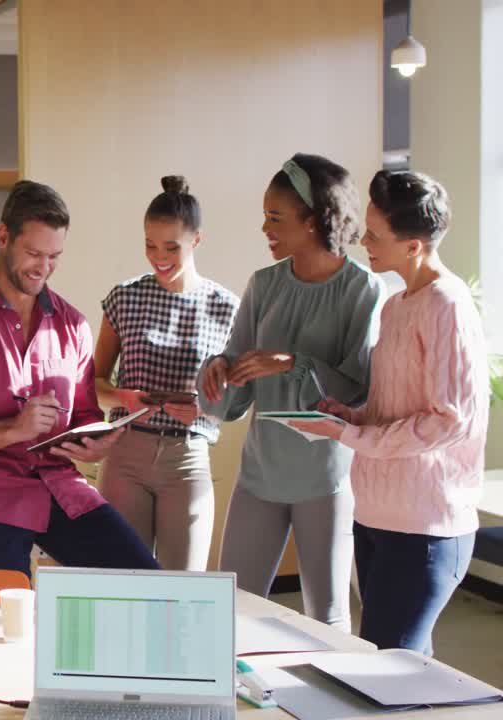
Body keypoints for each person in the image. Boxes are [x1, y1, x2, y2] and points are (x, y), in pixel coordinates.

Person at [0, 180, 159, 576]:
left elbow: (83, 416)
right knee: (12, 605)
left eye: (54, 256)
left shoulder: (72, 325)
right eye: (33, 253)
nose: (43, 268)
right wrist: (13, 429)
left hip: (60, 487)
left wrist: (95, 446)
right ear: (3, 237)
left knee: (147, 580)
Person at [291, 171, 488, 654]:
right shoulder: (396, 305)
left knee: (390, 662)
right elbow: (397, 406)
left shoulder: (448, 305)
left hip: (424, 526)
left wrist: (351, 436)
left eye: (375, 236)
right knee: (392, 661)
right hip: (377, 514)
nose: (363, 242)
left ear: (414, 246)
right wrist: (352, 417)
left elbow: (448, 420)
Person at [199, 153, 384, 630]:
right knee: (231, 610)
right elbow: (234, 382)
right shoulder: (263, 285)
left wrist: (294, 362)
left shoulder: (363, 289)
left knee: (327, 616)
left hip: (325, 478)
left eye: (275, 217)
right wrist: (218, 370)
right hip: (260, 473)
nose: (265, 228)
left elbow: (360, 391)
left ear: (313, 220)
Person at [94, 176, 240, 571]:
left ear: (197, 240)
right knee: (124, 581)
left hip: (187, 459)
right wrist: (123, 397)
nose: (159, 256)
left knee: (184, 588)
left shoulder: (227, 308)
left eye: (172, 247)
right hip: (126, 454)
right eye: (150, 245)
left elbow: (238, 400)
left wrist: (204, 410)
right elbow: (93, 384)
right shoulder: (125, 298)